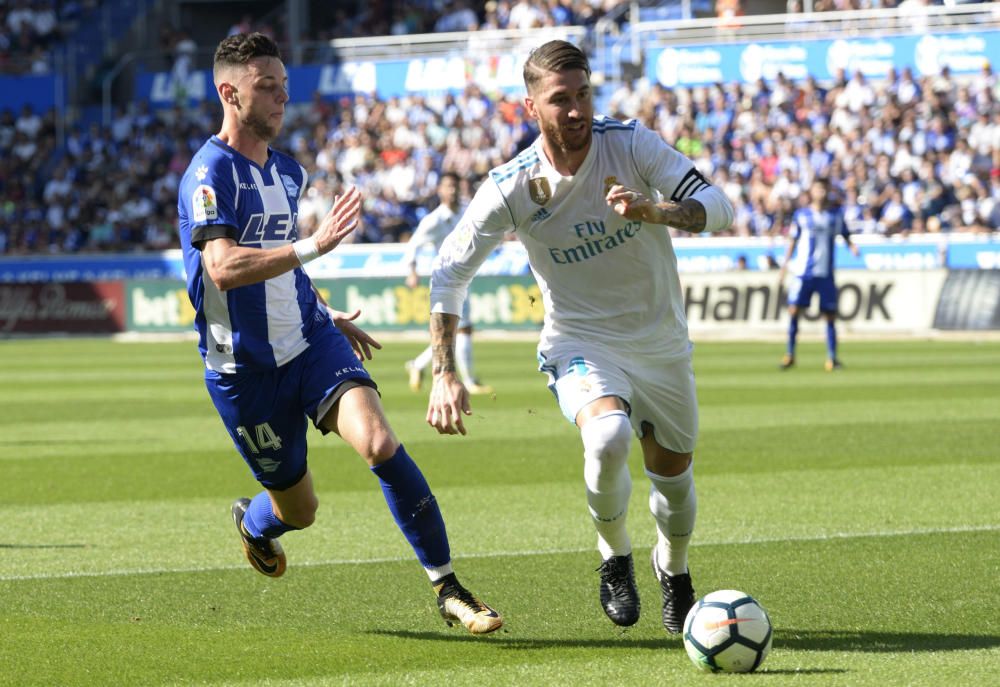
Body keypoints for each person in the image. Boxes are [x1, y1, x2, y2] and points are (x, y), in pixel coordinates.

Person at [176, 32, 501, 635]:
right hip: (241, 370)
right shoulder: (207, 173)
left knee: (379, 443)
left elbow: (283, 266)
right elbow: (221, 266)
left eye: (284, 87)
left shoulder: (289, 172)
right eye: (265, 88)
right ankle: (255, 524)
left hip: (310, 343)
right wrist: (315, 244)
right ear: (230, 92)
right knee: (300, 511)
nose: (281, 100)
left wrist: (324, 312)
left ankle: (450, 589)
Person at [424, 40, 735, 634]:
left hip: (661, 341)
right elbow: (450, 271)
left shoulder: (632, 143)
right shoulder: (512, 185)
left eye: (583, 94)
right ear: (530, 107)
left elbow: (716, 205)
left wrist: (656, 211)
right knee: (609, 437)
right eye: (559, 99)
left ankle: (674, 568)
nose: (575, 110)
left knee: (673, 479)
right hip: (579, 341)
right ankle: (614, 556)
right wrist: (444, 371)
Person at [403, 171, 493, 395]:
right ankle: (470, 381)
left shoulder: (465, 212)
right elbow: (412, 245)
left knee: (452, 333)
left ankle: (417, 364)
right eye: (448, 186)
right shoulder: (434, 220)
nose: (452, 190)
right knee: (463, 330)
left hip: (464, 277)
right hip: (446, 279)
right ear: (440, 190)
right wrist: (412, 271)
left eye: (455, 186)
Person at [778, 177, 860, 371]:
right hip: (803, 273)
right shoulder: (801, 215)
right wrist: (785, 265)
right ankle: (790, 354)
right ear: (811, 191)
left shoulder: (835, 215)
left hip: (825, 274)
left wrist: (852, 247)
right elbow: (793, 240)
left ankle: (832, 358)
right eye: (817, 189)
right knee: (793, 311)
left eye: (823, 189)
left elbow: (846, 234)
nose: (820, 193)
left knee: (830, 315)